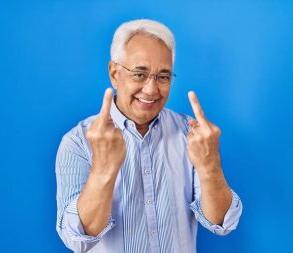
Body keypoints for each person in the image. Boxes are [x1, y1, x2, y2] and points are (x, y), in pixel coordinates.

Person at [55, 19, 242, 253]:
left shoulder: (191, 134)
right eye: (139, 74)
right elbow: (78, 240)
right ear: (114, 73)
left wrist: (210, 165)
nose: (152, 89)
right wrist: (103, 170)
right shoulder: (78, 141)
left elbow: (222, 224)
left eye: (163, 77)